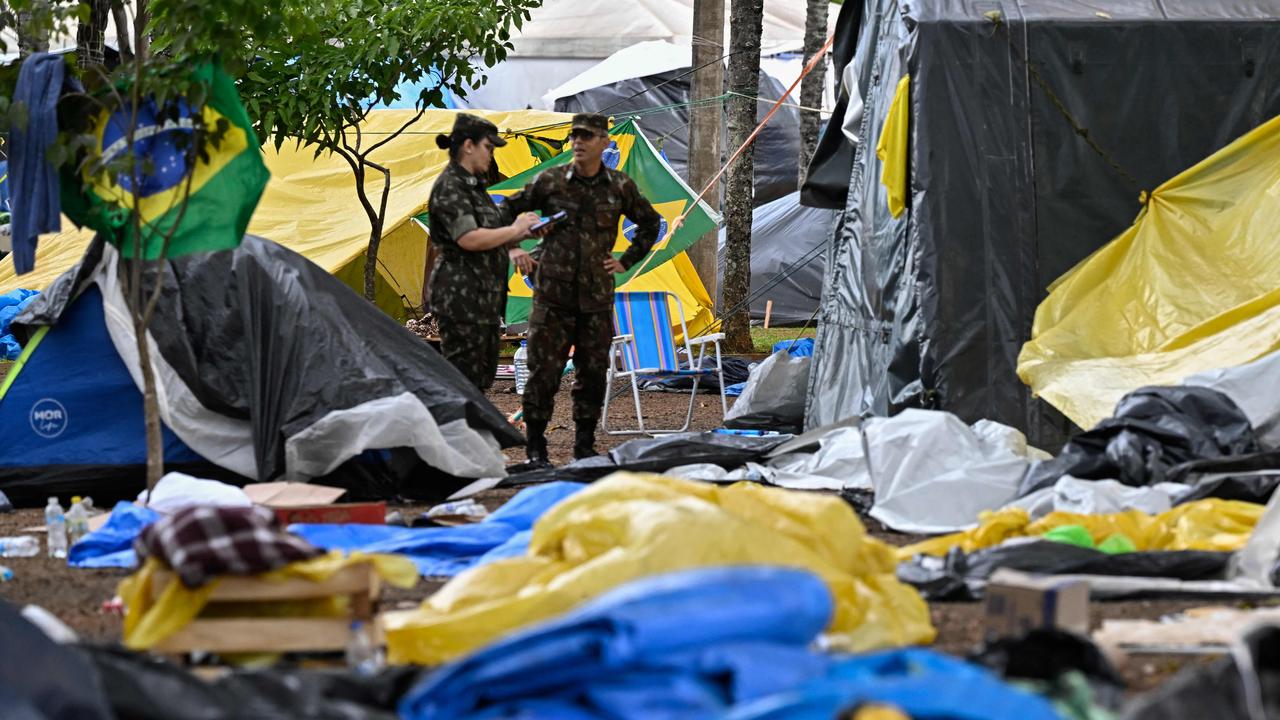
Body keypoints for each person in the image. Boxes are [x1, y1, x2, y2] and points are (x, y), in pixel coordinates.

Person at [502, 113, 662, 466]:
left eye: (587, 136)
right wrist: (514, 247)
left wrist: (627, 260)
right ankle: (536, 449)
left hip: (595, 297)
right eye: (574, 135)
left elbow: (651, 224)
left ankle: (584, 446)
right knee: (543, 371)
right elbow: (504, 210)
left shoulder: (619, 186)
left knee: (591, 372)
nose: (577, 142)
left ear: (604, 141)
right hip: (552, 295)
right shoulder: (551, 181)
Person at [426, 114, 539, 390]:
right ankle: (454, 431)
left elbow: (491, 227)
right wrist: (514, 231)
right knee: (464, 380)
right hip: (461, 298)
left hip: (484, 297)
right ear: (468, 146)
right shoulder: (451, 186)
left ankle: (472, 431)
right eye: (488, 147)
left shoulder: (474, 187)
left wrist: (514, 244)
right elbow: (469, 238)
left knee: (479, 379)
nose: (491, 155)